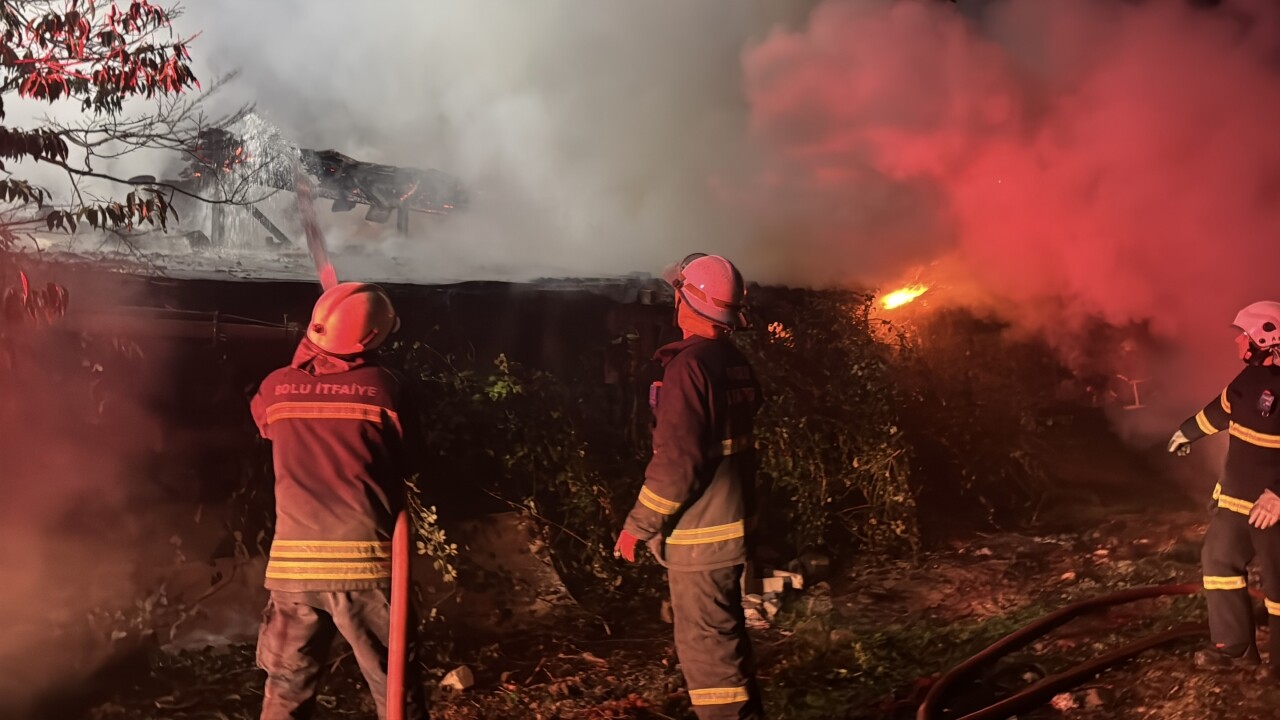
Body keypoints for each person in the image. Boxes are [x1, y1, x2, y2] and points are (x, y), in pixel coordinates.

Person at [250, 282, 428, 719]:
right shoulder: (386, 390)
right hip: (364, 566)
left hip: (294, 572)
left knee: (286, 691)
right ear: (374, 339)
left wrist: (307, 362)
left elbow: (267, 427)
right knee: (395, 689)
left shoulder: (275, 389)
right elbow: (413, 458)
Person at [615, 253, 765, 719]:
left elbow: (678, 464)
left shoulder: (689, 367)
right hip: (732, 528)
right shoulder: (731, 361)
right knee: (727, 646)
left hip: (702, 538)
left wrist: (637, 526)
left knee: (711, 664)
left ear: (686, 300)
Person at [1169, 300, 1280, 678]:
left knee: (1278, 581)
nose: (1238, 344)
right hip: (1236, 499)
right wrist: (1186, 431)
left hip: (1273, 507)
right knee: (1218, 561)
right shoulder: (1248, 381)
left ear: (1267, 337)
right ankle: (1234, 650)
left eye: (1244, 336)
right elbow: (1220, 410)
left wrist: (1278, 494)